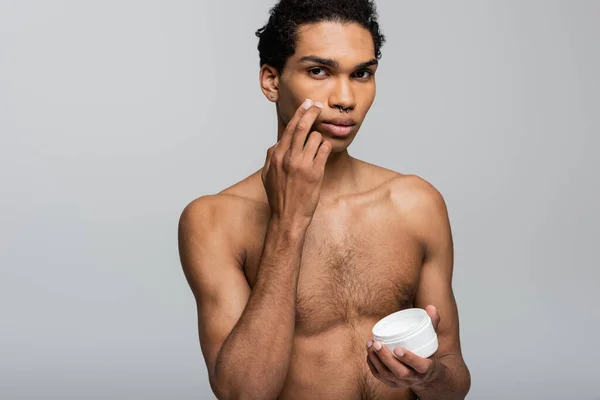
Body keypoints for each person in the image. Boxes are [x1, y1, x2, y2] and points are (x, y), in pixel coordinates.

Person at [178, 0, 471, 398]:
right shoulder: (214, 220)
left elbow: (454, 382)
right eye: (319, 71)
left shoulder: (416, 202)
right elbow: (242, 393)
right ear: (271, 81)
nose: (345, 98)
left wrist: (427, 377)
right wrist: (287, 224)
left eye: (362, 74)